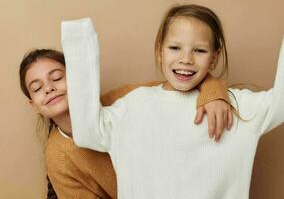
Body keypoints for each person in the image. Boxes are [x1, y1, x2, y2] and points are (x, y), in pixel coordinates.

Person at [62, 4, 284, 199]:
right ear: (159, 50)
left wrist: (216, 90)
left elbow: (280, 104)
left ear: (214, 58)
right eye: (175, 48)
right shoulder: (134, 106)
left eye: (199, 50)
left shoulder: (235, 105)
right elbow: (88, 131)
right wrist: (79, 42)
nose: (186, 59)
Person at [19, 48, 232, 198]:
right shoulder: (58, 157)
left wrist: (214, 93)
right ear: (34, 105)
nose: (48, 88)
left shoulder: (125, 100)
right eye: (37, 88)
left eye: (57, 77)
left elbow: (185, 81)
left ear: (79, 78)